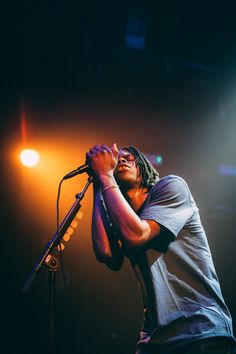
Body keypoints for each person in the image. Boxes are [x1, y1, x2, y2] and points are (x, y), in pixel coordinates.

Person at [85, 143, 236, 354]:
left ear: (142, 166)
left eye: (128, 157)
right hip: (154, 339)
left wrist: (106, 176)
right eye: (115, 158)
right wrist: (99, 182)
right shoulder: (125, 218)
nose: (120, 160)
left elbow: (137, 235)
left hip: (199, 331)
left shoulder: (171, 186)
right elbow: (106, 253)